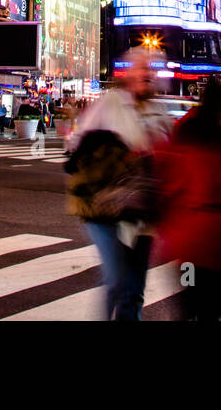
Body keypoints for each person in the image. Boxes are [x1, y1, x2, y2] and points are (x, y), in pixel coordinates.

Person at [65, 45, 172, 321]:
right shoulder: (111, 103)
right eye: (141, 68)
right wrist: (108, 158)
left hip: (141, 213)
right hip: (104, 208)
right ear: (129, 73)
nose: (147, 73)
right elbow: (77, 144)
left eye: (150, 69)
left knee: (134, 288)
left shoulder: (159, 111)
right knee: (116, 280)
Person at [153, 77, 221, 320]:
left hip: (186, 245)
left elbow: (164, 180)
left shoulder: (183, 132)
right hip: (216, 247)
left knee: (189, 300)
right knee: (216, 309)